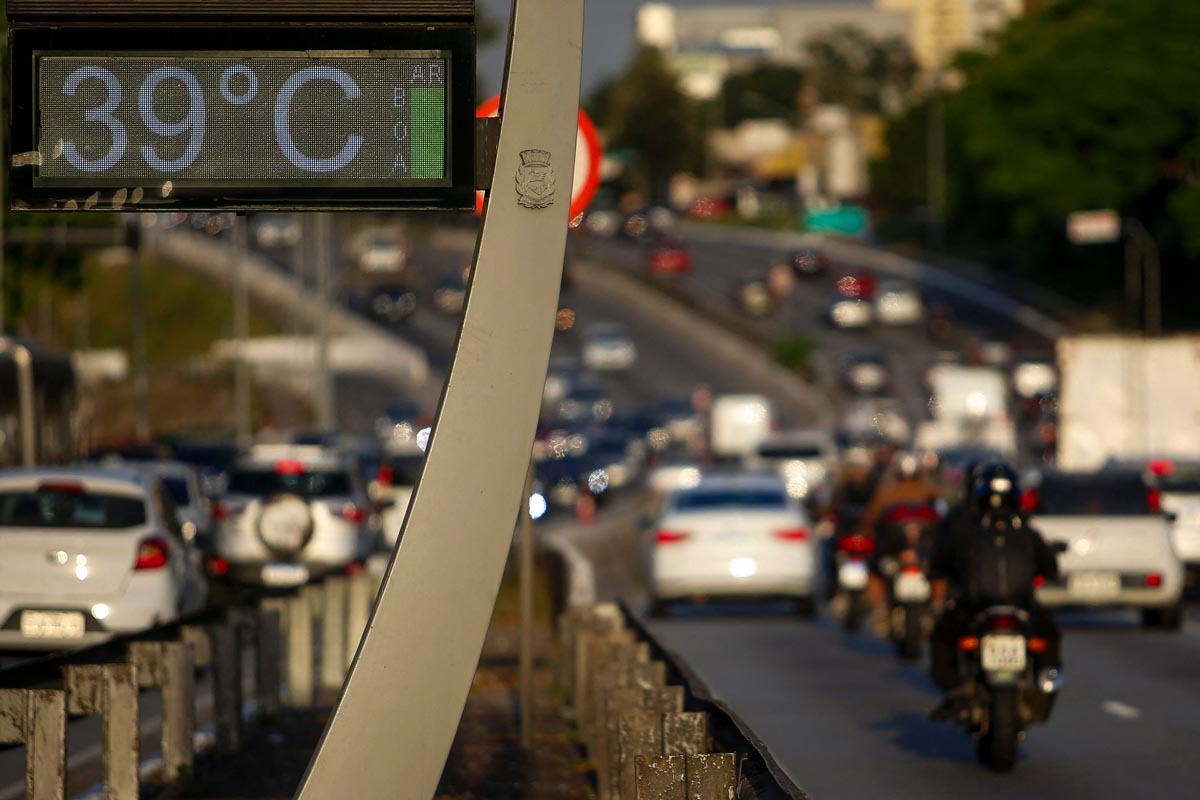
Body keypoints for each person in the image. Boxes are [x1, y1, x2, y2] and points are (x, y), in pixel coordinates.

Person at [928, 463, 1063, 720]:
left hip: (977, 609)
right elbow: (1051, 568)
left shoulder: (965, 528)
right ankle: (1044, 689)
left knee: (942, 638)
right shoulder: (1025, 529)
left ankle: (957, 689)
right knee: (1049, 637)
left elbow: (939, 563)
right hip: (1019, 608)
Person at [860, 453, 942, 615]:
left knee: (875, 569)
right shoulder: (930, 491)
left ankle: (880, 607)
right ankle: (937, 605)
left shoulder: (888, 492)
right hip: (908, 552)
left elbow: (871, 520)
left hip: (905, 552)